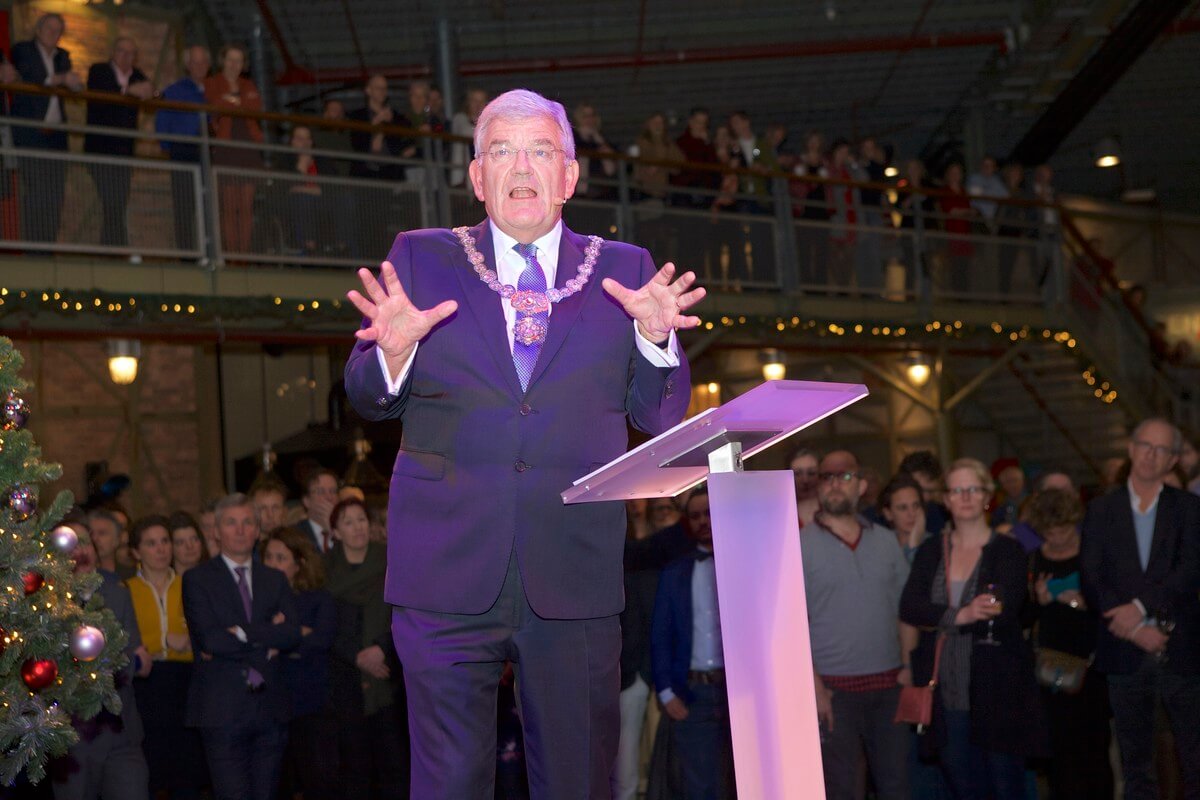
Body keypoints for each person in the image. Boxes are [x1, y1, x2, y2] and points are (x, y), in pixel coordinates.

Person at [342, 88, 700, 799]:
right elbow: (367, 395)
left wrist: (656, 342)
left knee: (577, 781)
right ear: (477, 178)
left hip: (574, 573)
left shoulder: (625, 271)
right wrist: (392, 354)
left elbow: (660, 419)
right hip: (444, 575)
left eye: (540, 149)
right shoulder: (420, 259)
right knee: (448, 784)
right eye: (500, 149)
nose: (520, 164)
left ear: (569, 176)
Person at [899, 458, 1047, 799]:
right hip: (947, 690)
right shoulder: (931, 550)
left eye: (973, 489)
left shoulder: (1008, 549)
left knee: (1006, 786)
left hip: (998, 690)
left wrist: (946, 616)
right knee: (965, 788)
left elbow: (1007, 610)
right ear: (946, 500)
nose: (964, 496)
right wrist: (960, 615)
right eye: (956, 490)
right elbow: (909, 605)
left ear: (986, 497)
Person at [1080, 418, 1200, 800]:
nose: (1151, 454)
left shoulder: (1188, 509)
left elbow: (1190, 571)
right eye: (1145, 445)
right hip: (1124, 651)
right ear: (1131, 449)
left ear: (1172, 460)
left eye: (1161, 449)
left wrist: (1139, 606)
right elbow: (1092, 577)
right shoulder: (1101, 510)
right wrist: (1133, 628)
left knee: (1194, 760)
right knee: (1136, 766)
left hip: (1179, 649)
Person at [804, 451, 911, 800]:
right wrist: (814, 686)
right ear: (817, 487)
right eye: (826, 477)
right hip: (834, 692)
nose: (834, 484)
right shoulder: (796, 544)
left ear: (862, 485)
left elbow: (904, 611)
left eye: (844, 476)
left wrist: (909, 668)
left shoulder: (884, 540)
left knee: (896, 786)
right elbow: (791, 625)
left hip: (889, 685)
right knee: (843, 789)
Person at [181, 493, 301, 800]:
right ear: (217, 531)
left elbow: (291, 634)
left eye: (248, 522)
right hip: (222, 711)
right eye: (231, 523)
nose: (240, 530)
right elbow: (211, 640)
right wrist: (266, 639)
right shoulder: (197, 579)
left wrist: (244, 632)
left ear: (258, 531)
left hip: (270, 709)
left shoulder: (275, 579)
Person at [51, 519, 151, 800]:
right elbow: (58, 669)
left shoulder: (117, 592)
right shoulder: (47, 603)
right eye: (68, 544)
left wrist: (117, 662)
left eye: (84, 540)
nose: (79, 550)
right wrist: (118, 660)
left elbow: (138, 660)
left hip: (122, 732)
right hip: (72, 739)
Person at [1026, 490, 1113, 800]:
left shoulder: (1093, 552)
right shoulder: (1035, 559)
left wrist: (1087, 603)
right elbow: (1024, 616)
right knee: (1059, 753)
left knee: (1095, 749)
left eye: (1064, 529)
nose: (1059, 537)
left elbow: (1114, 605)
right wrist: (1040, 600)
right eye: (1051, 531)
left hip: (1092, 667)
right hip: (1052, 668)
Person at [650, 489, 735, 799]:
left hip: (740, 692)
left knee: (746, 780)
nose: (704, 521)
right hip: (693, 692)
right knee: (698, 786)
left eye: (709, 513)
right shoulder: (675, 572)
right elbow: (660, 635)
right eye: (696, 515)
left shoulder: (745, 564)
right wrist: (666, 690)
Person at [325, 497, 408, 798]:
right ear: (335, 532)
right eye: (348, 522)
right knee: (354, 769)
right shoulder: (325, 570)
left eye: (361, 519)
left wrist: (381, 649)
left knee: (395, 766)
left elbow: (404, 614)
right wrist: (357, 656)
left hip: (388, 678)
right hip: (345, 681)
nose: (357, 527)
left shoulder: (390, 561)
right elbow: (323, 625)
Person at [125, 515, 207, 799]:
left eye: (164, 542)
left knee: (187, 770)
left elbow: (205, 635)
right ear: (136, 551)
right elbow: (122, 640)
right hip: (145, 686)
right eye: (151, 543)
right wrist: (163, 642)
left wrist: (188, 643)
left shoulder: (191, 584)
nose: (161, 549)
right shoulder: (126, 591)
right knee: (149, 768)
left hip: (184, 683)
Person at [262, 526, 338, 800]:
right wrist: (298, 633)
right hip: (271, 705)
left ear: (299, 563)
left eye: (280, 558)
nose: (272, 564)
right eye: (268, 557)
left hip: (311, 704)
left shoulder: (319, 599)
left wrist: (287, 632)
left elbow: (321, 640)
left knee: (318, 779)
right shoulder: (258, 602)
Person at [10, 13, 83, 245]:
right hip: (31, 131)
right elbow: (33, 75)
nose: (54, 33)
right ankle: (33, 247)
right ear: (38, 29)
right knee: (35, 192)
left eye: (58, 30)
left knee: (55, 193)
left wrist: (74, 82)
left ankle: (48, 247)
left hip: (56, 136)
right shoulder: (23, 49)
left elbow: (73, 85)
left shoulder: (63, 56)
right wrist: (62, 79)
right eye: (50, 28)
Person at [84, 37, 152, 248]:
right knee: (111, 199)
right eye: (122, 51)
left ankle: (112, 247)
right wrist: (129, 92)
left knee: (118, 201)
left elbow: (150, 91)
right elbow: (102, 93)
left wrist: (150, 91)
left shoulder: (138, 75)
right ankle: (115, 247)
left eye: (130, 53)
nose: (125, 56)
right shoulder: (99, 70)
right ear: (113, 52)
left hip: (124, 150)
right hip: (100, 148)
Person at [204, 44, 263, 256]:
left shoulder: (248, 84)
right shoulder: (212, 82)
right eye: (230, 59)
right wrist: (237, 102)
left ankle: (244, 256)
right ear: (223, 61)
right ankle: (231, 256)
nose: (234, 64)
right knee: (229, 208)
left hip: (248, 149)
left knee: (246, 207)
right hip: (226, 148)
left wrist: (232, 102)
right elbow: (215, 103)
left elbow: (255, 107)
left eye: (239, 60)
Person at [156, 45, 211, 251]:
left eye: (204, 62)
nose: (200, 66)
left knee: (207, 204)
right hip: (184, 150)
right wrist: (167, 146)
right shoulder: (175, 90)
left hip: (208, 151)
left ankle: (208, 251)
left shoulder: (212, 90)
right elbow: (163, 119)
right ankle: (188, 253)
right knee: (185, 205)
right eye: (195, 62)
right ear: (188, 65)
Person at [878, 472, 930, 563]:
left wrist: (914, 547)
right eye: (903, 508)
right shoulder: (881, 547)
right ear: (888, 513)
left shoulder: (935, 545)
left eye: (916, 506)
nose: (911, 514)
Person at [296, 467, 339, 554]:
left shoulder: (347, 532)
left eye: (333, 491)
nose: (329, 497)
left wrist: (333, 532)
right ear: (307, 501)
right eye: (321, 492)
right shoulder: (295, 535)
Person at [168, 510, 209, 575]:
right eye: (181, 542)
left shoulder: (216, 577)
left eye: (194, 539)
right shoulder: (164, 583)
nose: (190, 546)